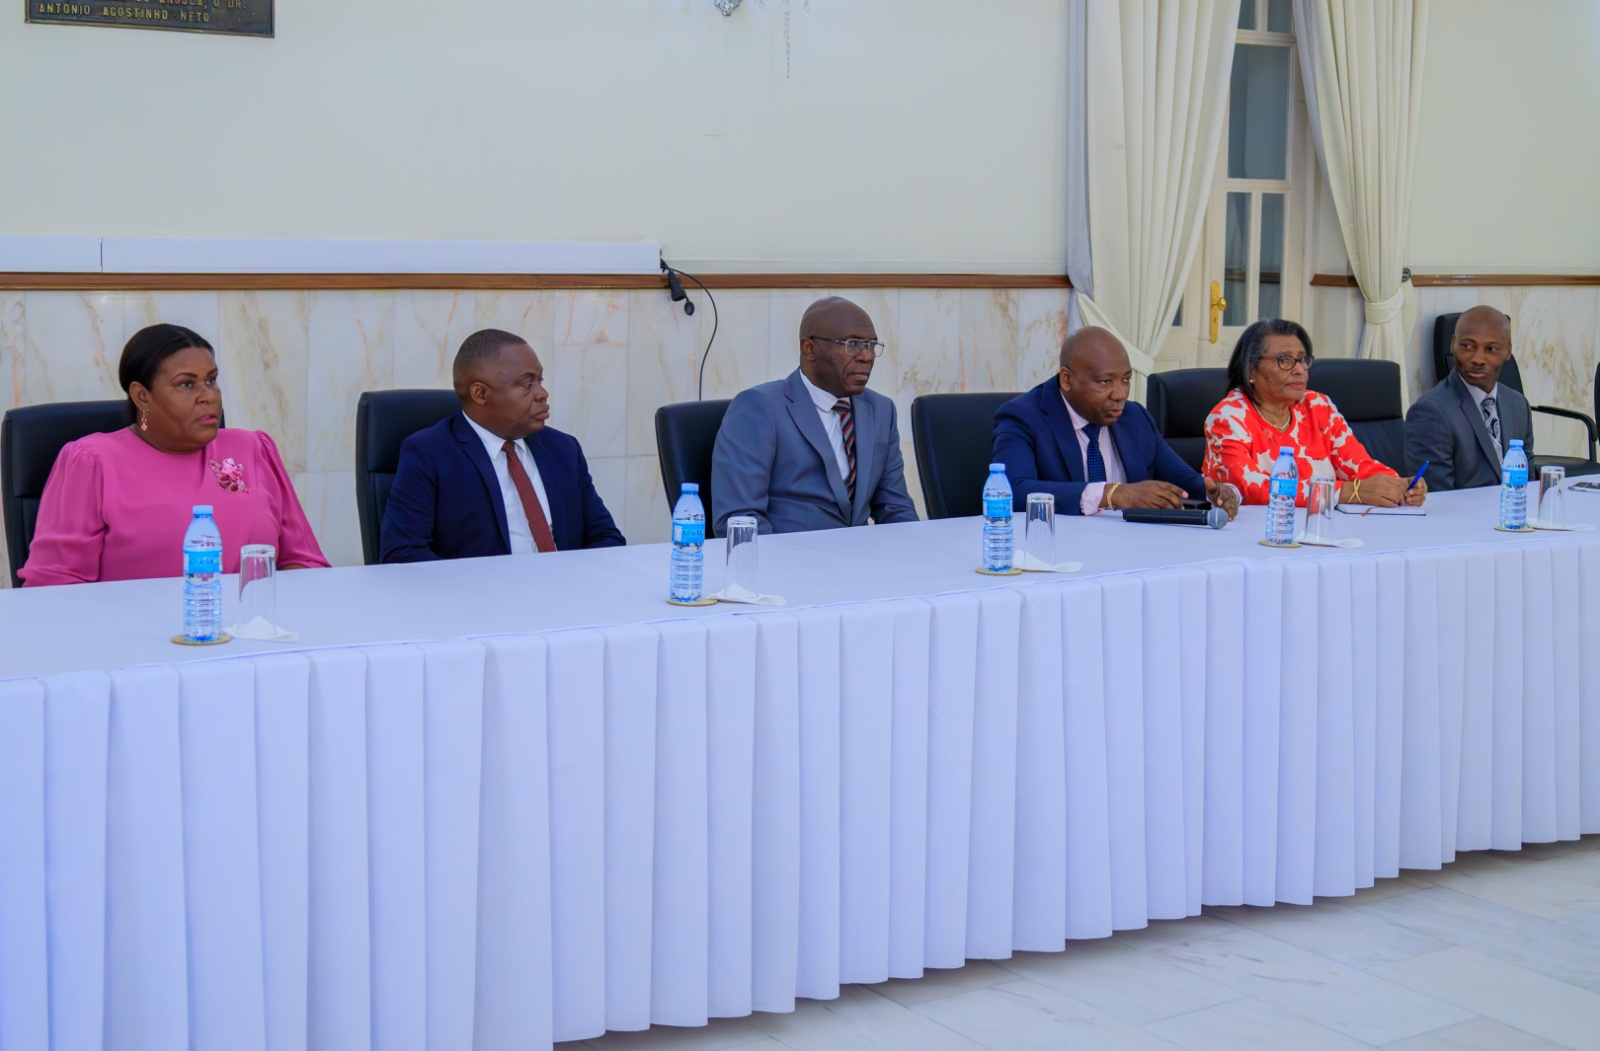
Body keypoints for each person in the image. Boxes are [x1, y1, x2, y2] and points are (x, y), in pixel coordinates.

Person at [20, 324, 328, 586]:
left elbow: (305, 562)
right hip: (133, 635)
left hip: (249, 629)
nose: (208, 396)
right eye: (187, 384)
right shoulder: (93, 462)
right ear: (142, 396)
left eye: (211, 380)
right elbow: (53, 586)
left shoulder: (252, 449)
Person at [380, 328, 623, 562]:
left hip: (564, 585)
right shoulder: (429, 454)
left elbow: (606, 537)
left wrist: (571, 580)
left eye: (539, 380)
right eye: (526, 385)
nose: (542, 393)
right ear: (481, 394)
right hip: (479, 590)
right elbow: (402, 554)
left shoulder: (563, 448)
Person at [711, 296, 918, 535]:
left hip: (862, 555)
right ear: (809, 348)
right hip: (788, 555)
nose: (866, 356)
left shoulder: (881, 409)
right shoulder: (760, 407)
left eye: (871, 346)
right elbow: (739, 520)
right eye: (852, 344)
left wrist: (918, 551)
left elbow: (896, 509)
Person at [992, 326, 1240, 518]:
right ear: (1066, 379)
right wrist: (1112, 494)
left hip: (1130, 548)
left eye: (1126, 379)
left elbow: (1182, 481)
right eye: (1105, 382)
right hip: (1061, 550)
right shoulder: (1023, 416)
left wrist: (1213, 491)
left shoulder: (1135, 417)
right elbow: (1012, 491)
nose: (1120, 394)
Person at [1204, 319, 1425, 507]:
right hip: (1260, 532)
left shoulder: (1318, 406)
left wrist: (1397, 484)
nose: (1299, 370)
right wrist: (1348, 492)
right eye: (1284, 360)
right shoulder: (1228, 418)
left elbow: (1359, 464)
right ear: (1251, 370)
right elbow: (1251, 488)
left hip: (1323, 526)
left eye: (1302, 360)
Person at [1404, 306, 1532, 491]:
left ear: (1508, 351)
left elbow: (1527, 482)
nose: (1478, 359)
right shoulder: (1431, 413)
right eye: (1467, 346)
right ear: (1453, 344)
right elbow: (1437, 498)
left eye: (1491, 349)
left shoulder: (1518, 405)